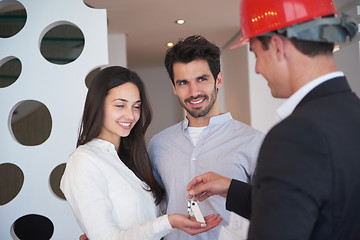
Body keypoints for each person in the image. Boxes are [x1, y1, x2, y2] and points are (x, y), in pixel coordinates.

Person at [187, 0, 360, 239]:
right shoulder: (352, 112)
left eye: (256, 53)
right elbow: (313, 204)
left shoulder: (295, 135)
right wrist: (231, 188)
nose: (257, 68)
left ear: (278, 46)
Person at [60, 66, 222, 240]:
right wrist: (169, 222)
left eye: (136, 107)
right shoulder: (84, 161)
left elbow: (144, 220)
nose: (130, 115)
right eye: (120, 105)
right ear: (98, 104)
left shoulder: (132, 159)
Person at [148, 35, 264, 240]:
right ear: (174, 88)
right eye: (183, 82)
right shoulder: (158, 145)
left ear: (218, 79)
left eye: (201, 79)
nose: (194, 92)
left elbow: (273, 207)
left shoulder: (254, 142)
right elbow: (150, 210)